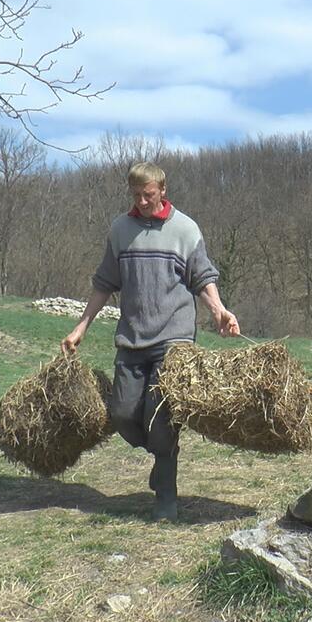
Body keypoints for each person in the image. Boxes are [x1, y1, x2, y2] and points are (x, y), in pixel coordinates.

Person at [62, 162, 240, 522]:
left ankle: (166, 495)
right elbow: (104, 283)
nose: (143, 201)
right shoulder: (120, 230)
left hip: (173, 339)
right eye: (136, 195)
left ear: (162, 189)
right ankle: (163, 455)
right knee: (123, 413)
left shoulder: (185, 230)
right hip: (131, 339)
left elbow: (202, 278)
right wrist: (81, 326)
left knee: (160, 416)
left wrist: (219, 310)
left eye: (149, 194)